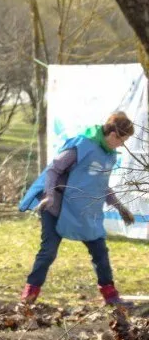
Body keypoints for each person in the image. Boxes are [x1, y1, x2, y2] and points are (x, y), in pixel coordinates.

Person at [19, 111, 135, 306]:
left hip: (84, 212)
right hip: (56, 205)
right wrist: (48, 195)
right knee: (48, 252)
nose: (123, 144)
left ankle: (111, 297)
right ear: (114, 135)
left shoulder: (109, 155)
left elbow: (100, 184)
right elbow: (54, 169)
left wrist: (120, 207)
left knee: (100, 251)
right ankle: (28, 297)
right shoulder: (82, 146)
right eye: (123, 139)